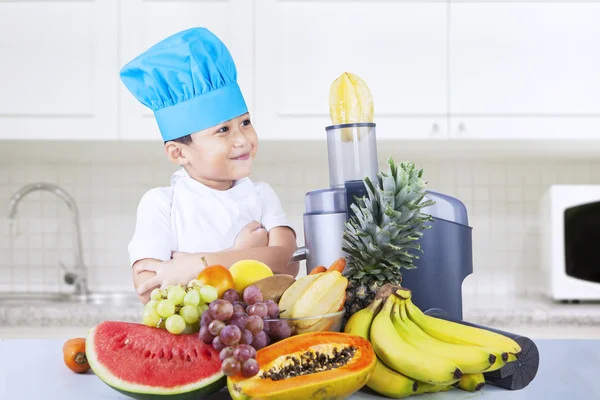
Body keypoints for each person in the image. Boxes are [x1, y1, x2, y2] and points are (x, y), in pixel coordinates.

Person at [120, 27, 299, 304]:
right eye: (223, 131)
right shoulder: (161, 204)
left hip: (256, 341)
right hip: (186, 342)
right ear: (179, 153)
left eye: (245, 123)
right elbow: (148, 288)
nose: (242, 140)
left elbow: (288, 261)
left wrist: (196, 265)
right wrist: (246, 254)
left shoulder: (261, 195)